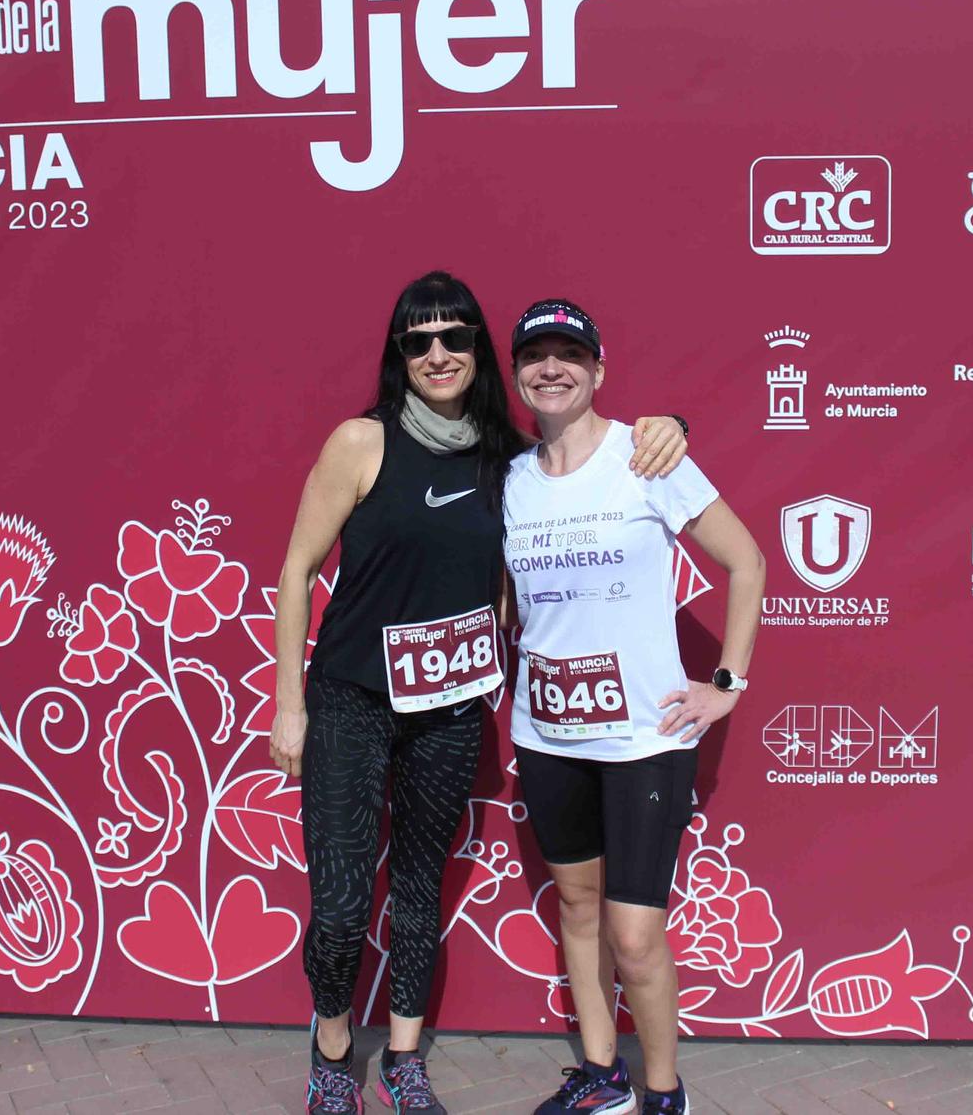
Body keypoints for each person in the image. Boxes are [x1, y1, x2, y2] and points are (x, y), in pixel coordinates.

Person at [269, 272, 691, 1115]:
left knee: (421, 893)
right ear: (400, 353)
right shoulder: (361, 441)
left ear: (475, 351)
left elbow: (591, 450)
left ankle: (404, 1056)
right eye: (418, 339)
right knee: (347, 904)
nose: (437, 353)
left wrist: (675, 428)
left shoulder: (505, 455)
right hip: (353, 696)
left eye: (454, 336)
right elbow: (296, 570)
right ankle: (329, 1049)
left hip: (452, 708)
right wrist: (291, 703)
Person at [500, 298, 765, 1115]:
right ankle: (601, 1075)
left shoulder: (647, 455)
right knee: (577, 907)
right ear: (517, 375)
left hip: (643, 739)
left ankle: (662, 1091)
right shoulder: (507, 479)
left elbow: (747, 562)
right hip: (547, 736)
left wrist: (724, 687)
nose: (553, 368)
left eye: (569, 355)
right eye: (536, 355)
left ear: (599, 371)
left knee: (635, 934)